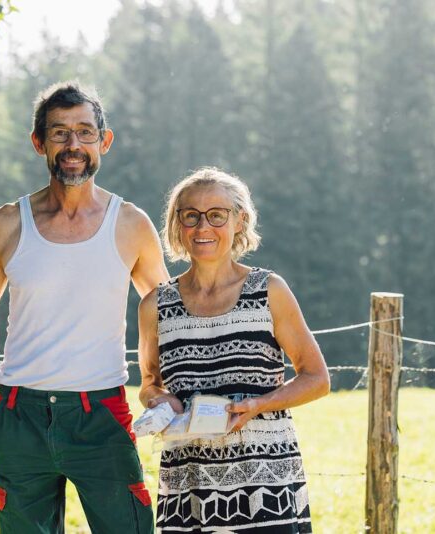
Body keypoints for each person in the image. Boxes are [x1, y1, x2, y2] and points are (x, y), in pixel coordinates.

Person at [0, 80, 169, 534]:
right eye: (59, 133)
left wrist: (159, 386)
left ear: (104, 141)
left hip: (102, 415)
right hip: (19, 414)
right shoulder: (6, 224)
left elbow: (167, 315)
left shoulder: (130, 224)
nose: (73, 144)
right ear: (39, 143)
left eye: (85, 132)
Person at [138, 167, 330, 533]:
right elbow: (150, 384)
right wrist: (160, 401)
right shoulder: (155, 306)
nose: (202, 227)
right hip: (189, 486)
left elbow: (317, 378)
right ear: (177, 224)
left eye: (216, 215)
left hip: (266, 486)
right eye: (190, 215)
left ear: (240, 220)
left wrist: (258, 405)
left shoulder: (268, 291)